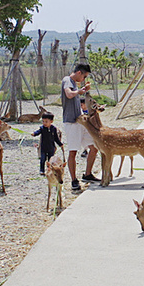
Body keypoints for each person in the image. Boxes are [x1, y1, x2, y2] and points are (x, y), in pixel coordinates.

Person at [62, 63, 98, 193]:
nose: (83, 79)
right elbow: (69, 94)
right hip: (72, 122)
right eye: (84, 76)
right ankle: (74, 180)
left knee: (94, 147)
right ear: (79, 73)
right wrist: (80, 91)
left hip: (80, 121)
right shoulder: (67, 81)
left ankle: (88, 174)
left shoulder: (75, 83)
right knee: (73, 152)